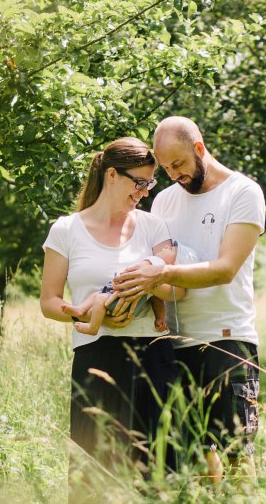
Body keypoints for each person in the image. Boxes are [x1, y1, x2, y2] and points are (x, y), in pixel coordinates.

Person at [112, 117, 266, 482]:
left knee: (235, 451)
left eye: (178, 164)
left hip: (226, 340)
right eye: (164, 168)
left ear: (199, 149)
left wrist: (161, 276)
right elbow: (151, 262)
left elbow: (225, 269)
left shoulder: (242, 193)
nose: (172, 175)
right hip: (171, 344)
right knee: (194, 455)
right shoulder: (163, 202)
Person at [39, 137, 181, 483]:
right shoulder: (66, 230)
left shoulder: (153, 227)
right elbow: (49, 302)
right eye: (140, 182)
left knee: (156, 471)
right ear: (112, 175)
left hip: (153, 356)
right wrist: (85, 314)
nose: (146, 191)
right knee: (96, 473)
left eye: (151, 183)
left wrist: (144, 286)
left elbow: (176, 289)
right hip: (96, 358)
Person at [65, 239, 197, 335]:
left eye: (172, 249)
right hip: (118, 294)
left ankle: (93, 328)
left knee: (99, 299)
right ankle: (81, 309)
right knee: (97, 296)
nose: (167, 247)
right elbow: (155, 299)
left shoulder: (157, 272)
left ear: (173, 264)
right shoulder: (153, 265)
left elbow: (157, 300)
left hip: (125, 303)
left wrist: (160, 318)